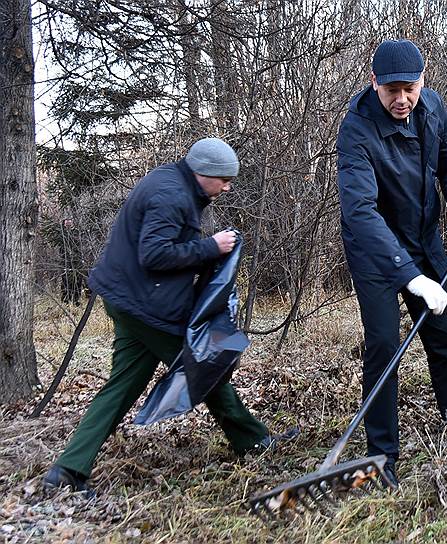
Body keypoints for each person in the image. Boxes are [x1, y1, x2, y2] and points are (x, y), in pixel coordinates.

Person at [43, 138, 298, 496]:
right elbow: (155, 254)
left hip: (130, 300)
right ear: (203, 173)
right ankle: (254, 441)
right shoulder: (172, 195)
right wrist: (212, 247)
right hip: (146, 308)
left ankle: (67, 471)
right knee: (205, 367)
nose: (227, 187)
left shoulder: (173, 182)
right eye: (223, 179)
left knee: (123, 385)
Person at [336, 40, 447, 489]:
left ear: (424, 78)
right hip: (375, 252)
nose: (402, 99)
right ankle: (382, 457)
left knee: (442, 334)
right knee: (383, 347)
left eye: (410, 88)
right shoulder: (356, 130)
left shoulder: (432, 108)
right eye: (392, 89)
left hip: (423, 240)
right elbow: (360, 211)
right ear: (373, 81)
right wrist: (410, 276)